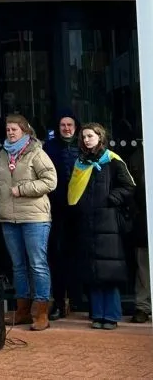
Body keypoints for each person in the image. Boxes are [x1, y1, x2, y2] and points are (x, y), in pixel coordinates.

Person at [0, 114, 57, 331]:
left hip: (34, 217)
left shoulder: (36, 152)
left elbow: (50, 180)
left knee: (37, 264)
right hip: (8, 217)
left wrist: (22, 190)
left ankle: (41, 311)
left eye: (14, 130)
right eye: (8, 129)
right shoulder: (3, 154)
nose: (10, 133)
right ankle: (22, 309)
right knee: (18, 266)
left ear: (25, 131)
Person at [68, 123, 135, 330]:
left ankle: (112, 315)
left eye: (90, 136)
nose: (87, 139)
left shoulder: (112, 161)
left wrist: (110, 199)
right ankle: (97, 314)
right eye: (84, 137)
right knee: (93, 271)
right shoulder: (80, 162)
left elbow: (129, 186)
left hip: (108, 223)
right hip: (87, 223)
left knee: (109, 270)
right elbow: (74, 190)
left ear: (100, 137)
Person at [43, 110, 81, 320]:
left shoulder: (83, 146)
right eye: (63, 125)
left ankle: (80, 299)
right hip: (57, 208)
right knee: (56, 255)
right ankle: (59, 301)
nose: (66, 129)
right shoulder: (49, 148)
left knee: (80, 253)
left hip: (81, 209)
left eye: (70, 125)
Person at [129, 148, 151, 323]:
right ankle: (142, 306)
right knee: (144, 267)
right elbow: (132, 190)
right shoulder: (138, 157)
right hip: (144, 219)